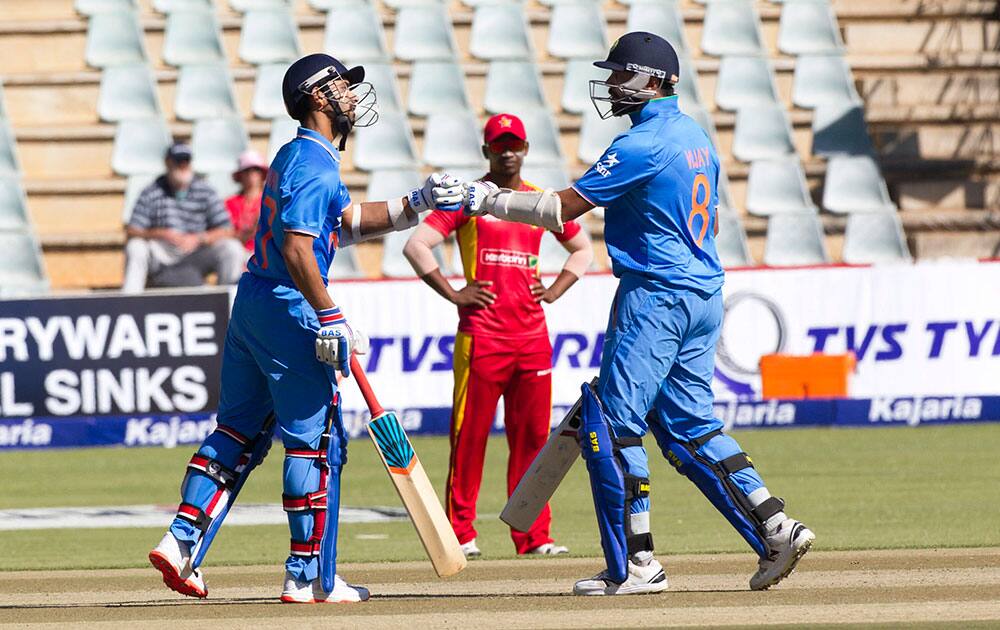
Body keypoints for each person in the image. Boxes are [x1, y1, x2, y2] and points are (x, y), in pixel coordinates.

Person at [457, 32, 815, 595]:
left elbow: (560, 208)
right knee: (689, 426)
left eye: (623, 75)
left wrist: (486, 199)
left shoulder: (644, 142)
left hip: (656, 297)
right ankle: (775, 525)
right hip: (702, 292)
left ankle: (637, 565)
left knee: (613, 424)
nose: (613, 86)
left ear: (657, 82)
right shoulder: (697, 137)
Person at [148, 53, 465, 604]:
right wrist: (329, 313)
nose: (350, 96)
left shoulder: (297, 156)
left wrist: (417, 204)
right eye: (342, 87)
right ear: (317, 98)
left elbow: (344, 223)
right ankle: (308, 577)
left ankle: (181, 542)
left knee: (238, 431)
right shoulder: (315, 165)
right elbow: (299, 249)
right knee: (314, 444)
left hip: (253, 302)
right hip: (288, 305)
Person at [403, 113, 593, 559]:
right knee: (468, 439)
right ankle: (460, 533)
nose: (508, 151)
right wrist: (453, 292)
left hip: (531, 339)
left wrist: (554, 291)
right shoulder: (467, 199)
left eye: (515, 144)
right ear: (486, 151)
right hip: (481, 338)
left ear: (525, 149)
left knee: (532, 441)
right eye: (499, 144)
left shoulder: (540, 201)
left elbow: (583, 249)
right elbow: (415, 245)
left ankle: (534, 536)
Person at [123, 142, 246, 293]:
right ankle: (130, 300)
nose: (182, 165)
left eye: (186, 161)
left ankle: (229, 301)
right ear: (167, 163)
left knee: (232, 248)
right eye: (177, 161)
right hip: (163, 252)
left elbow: (227, 229)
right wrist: (162, 233)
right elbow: (132, 230)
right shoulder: (151, 191)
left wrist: (199, 238)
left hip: (196, 251)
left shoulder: (205, 190)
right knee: (135, 247)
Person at [225, 150, 268, 253]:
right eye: (247, 170)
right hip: (237, 254)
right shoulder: (230, 203)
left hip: (265, 255)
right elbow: (225, 234)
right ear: (240, 175)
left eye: (256, 169)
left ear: (262, 174)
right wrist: (251, 230)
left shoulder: (269, 201)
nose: (251, 174)